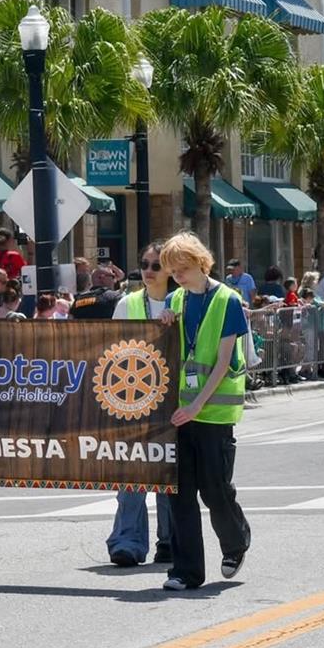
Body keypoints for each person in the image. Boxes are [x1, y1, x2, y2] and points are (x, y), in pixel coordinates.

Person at [157, 232, 252, 593]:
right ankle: (186, 571)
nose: (177, 277)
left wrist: (197, 405)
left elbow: (224, 361)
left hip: (213, 413)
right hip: (180, 411)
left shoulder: (228, 300)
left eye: (182, 269)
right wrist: (165, 322)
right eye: (172, 271)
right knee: (179, 492)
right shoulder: (175, 299)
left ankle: (235, 540)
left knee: (214, 490)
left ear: (200, 262)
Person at [107, 242, 174, 568]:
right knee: (132, 474)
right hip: (132, 401)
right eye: (144, 264)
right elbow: (111, 349)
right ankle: (127, 541)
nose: (148, 270)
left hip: (174, 403)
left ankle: (170, 542)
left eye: (155, 265)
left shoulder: (186, 303)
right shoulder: (127, 304)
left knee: (168, 476)